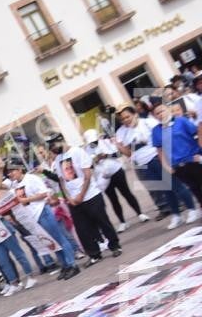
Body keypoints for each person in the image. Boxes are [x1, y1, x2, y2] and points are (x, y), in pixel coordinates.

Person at [48, 132, 121, 266]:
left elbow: (87, 175)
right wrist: (69, 198)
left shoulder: (77, 152)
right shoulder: (58, 160)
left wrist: (81, 195)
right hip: (73, 200)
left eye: (53, 145)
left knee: (102, 222)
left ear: (61, 141)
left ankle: (114, 246)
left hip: (90, 195)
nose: (52, 149)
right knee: (83, 229)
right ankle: (94, 254)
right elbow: (62, 181)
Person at [116, 105, 191, 227]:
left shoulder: (148, 122)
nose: (126, 120)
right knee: (163, 189)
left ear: (135, 114)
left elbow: (162, 136)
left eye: (127, 116)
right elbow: (129, 153)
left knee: (175, 185)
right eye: (123, 119)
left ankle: (192, 209)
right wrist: (119, 146)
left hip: (156, 158)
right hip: (143, 163)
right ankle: (176, 215)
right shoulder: (123, 132)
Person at [83, 128, 148, 232]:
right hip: (103, 176)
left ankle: (140, 213)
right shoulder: (86, 150)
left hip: (116, 170)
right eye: (91, 142)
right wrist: (95, 160)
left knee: (126, 193)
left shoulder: (106, 142)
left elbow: (117, 154)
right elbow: (88, 166)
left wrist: (106, 155)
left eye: (95, 141)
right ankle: (123, 222)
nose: (94, 144)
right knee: (113, 199)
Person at [152, 101, 202, 213]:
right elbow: (160, 151)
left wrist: (199, 153)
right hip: (178, 166)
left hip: (193, 160)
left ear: (168, 110)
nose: (160, 114)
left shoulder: (181, 121)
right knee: (195, 189)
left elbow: (198, 133)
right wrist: (166, 166)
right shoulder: (156, 131)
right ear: (154, 116)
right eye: (157, 113)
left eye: (162, 110)